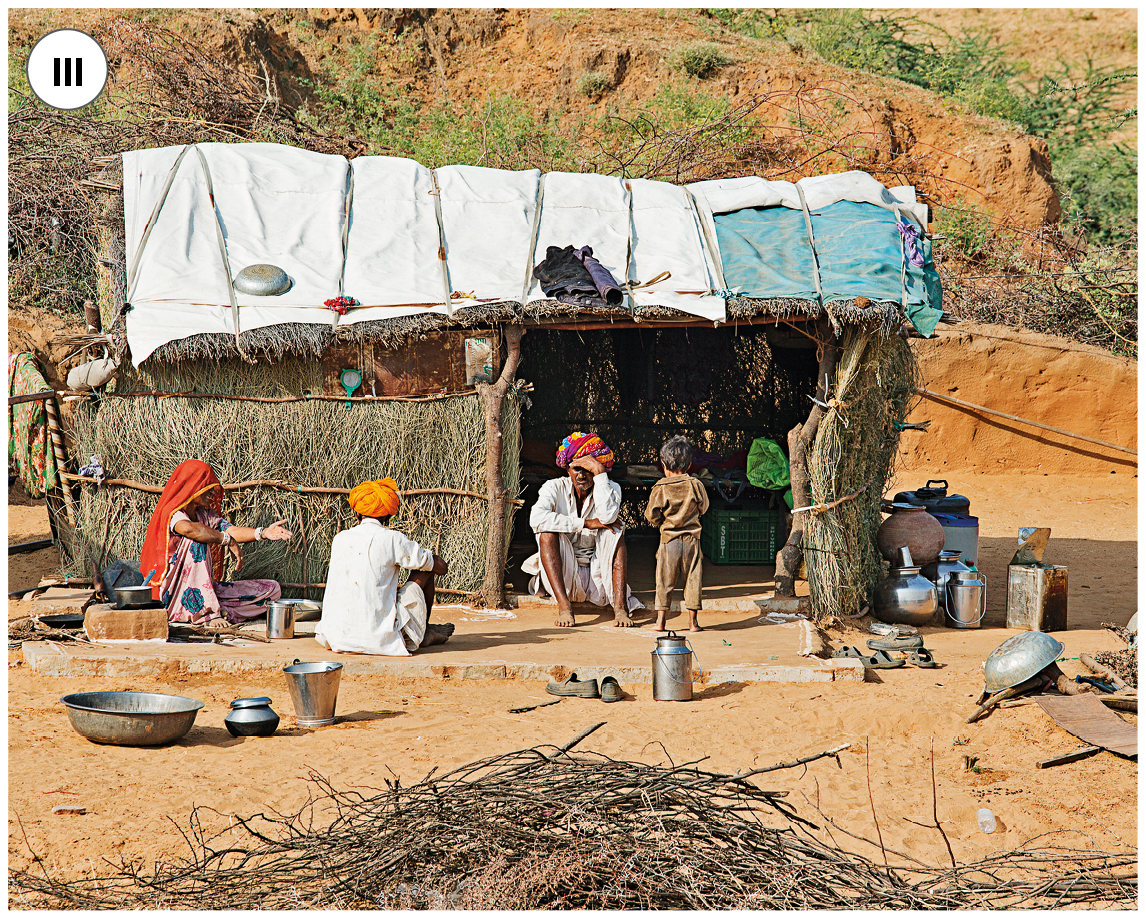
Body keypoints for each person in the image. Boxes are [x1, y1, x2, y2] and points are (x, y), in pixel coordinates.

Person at [139, 459, 293, 625]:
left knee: (271, 589)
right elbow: (190, 530)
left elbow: (231, 531)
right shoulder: (173, 514)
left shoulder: (204, 515)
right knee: (197, 542)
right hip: (174, 595)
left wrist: (263, 533)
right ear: (193, 486)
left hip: (206, 591)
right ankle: (208, 614)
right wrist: (226, 540)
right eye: (208, 488)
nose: (212, 493)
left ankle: (221, 610)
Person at [316, 477, 454, 656]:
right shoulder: (392, 539)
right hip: (378, 639)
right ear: (388, 515)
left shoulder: (340, 538)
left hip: (336, 637)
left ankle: (423, 630)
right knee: (424, 569)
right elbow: (442, 568)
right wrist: (426, 556)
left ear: (356, 514)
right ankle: (424, 630)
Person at [522, 431, 642, 628]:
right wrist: (584, 523)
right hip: (563, 580)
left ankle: (620, 608)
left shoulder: (610, 488)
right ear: (568, 469)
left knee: (615, 533)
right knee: (546, 534)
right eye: (577, 468)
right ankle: (564, 607)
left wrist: (600, 473)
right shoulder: (553, 487)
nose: (582, 474)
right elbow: (536, 519)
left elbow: (608, 518)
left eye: (589, 470)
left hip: (598, 578)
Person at [644, 435, 710, 632]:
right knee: (693, 580)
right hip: (692, 541)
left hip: (668, 541)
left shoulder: (660, 488)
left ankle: (660, 622)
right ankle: (693, 623)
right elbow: (704, 507)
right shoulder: (695, 485)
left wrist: (661, 522)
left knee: (664, 581)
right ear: (689, 464)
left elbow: (651, 515)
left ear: (664, 464)